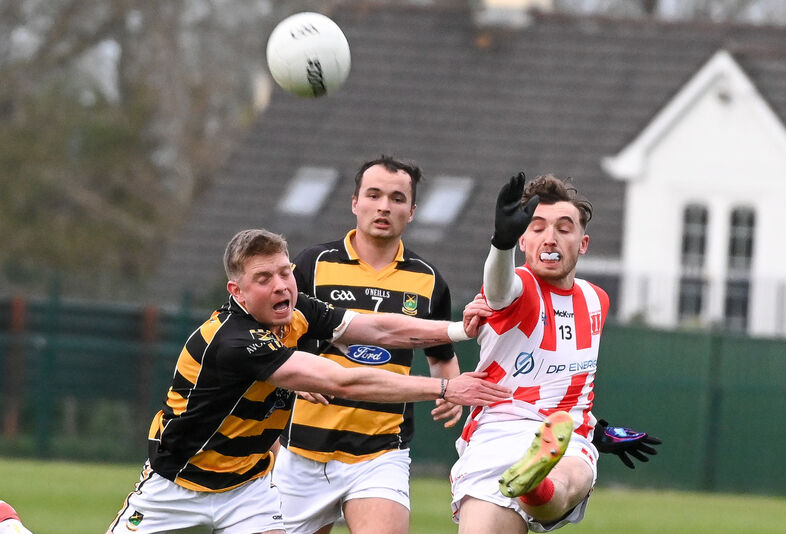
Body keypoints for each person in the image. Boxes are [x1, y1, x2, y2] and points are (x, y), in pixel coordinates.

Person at [106, 229, 510, 534]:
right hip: (177, 484)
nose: (282, 285)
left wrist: (457, 330)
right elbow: (343, 382)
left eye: (285, 272)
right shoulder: (231, 339)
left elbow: (377, 329)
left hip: (247, 488)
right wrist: (443, 387)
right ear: (238, 292)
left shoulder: (294, 310)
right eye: (264, 278)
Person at [274, 156, 463, 534]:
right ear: (354, 202)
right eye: (373, 195)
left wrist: (450, 390)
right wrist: (290, 377)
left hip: (380, 452)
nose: (384, 206)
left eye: (396, 198)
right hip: (301, 451)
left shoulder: (428, 280)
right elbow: (272, 340)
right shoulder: (312, 264)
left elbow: (441, 353)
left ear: (411, 212)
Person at [451, 172, 608, 533]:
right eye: (537, 227)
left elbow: (569, 380)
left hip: (564, 435)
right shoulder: (519, 288)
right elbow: (499, 288)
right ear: (523, 239)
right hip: (501, 433)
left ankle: (535, 483)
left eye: (563, 228)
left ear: (582, 243)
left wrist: (603, 431)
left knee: (570, 479)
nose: (550, 237)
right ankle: (533, 481)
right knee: (566, 484)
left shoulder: (595, 299)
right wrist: (500, 244)